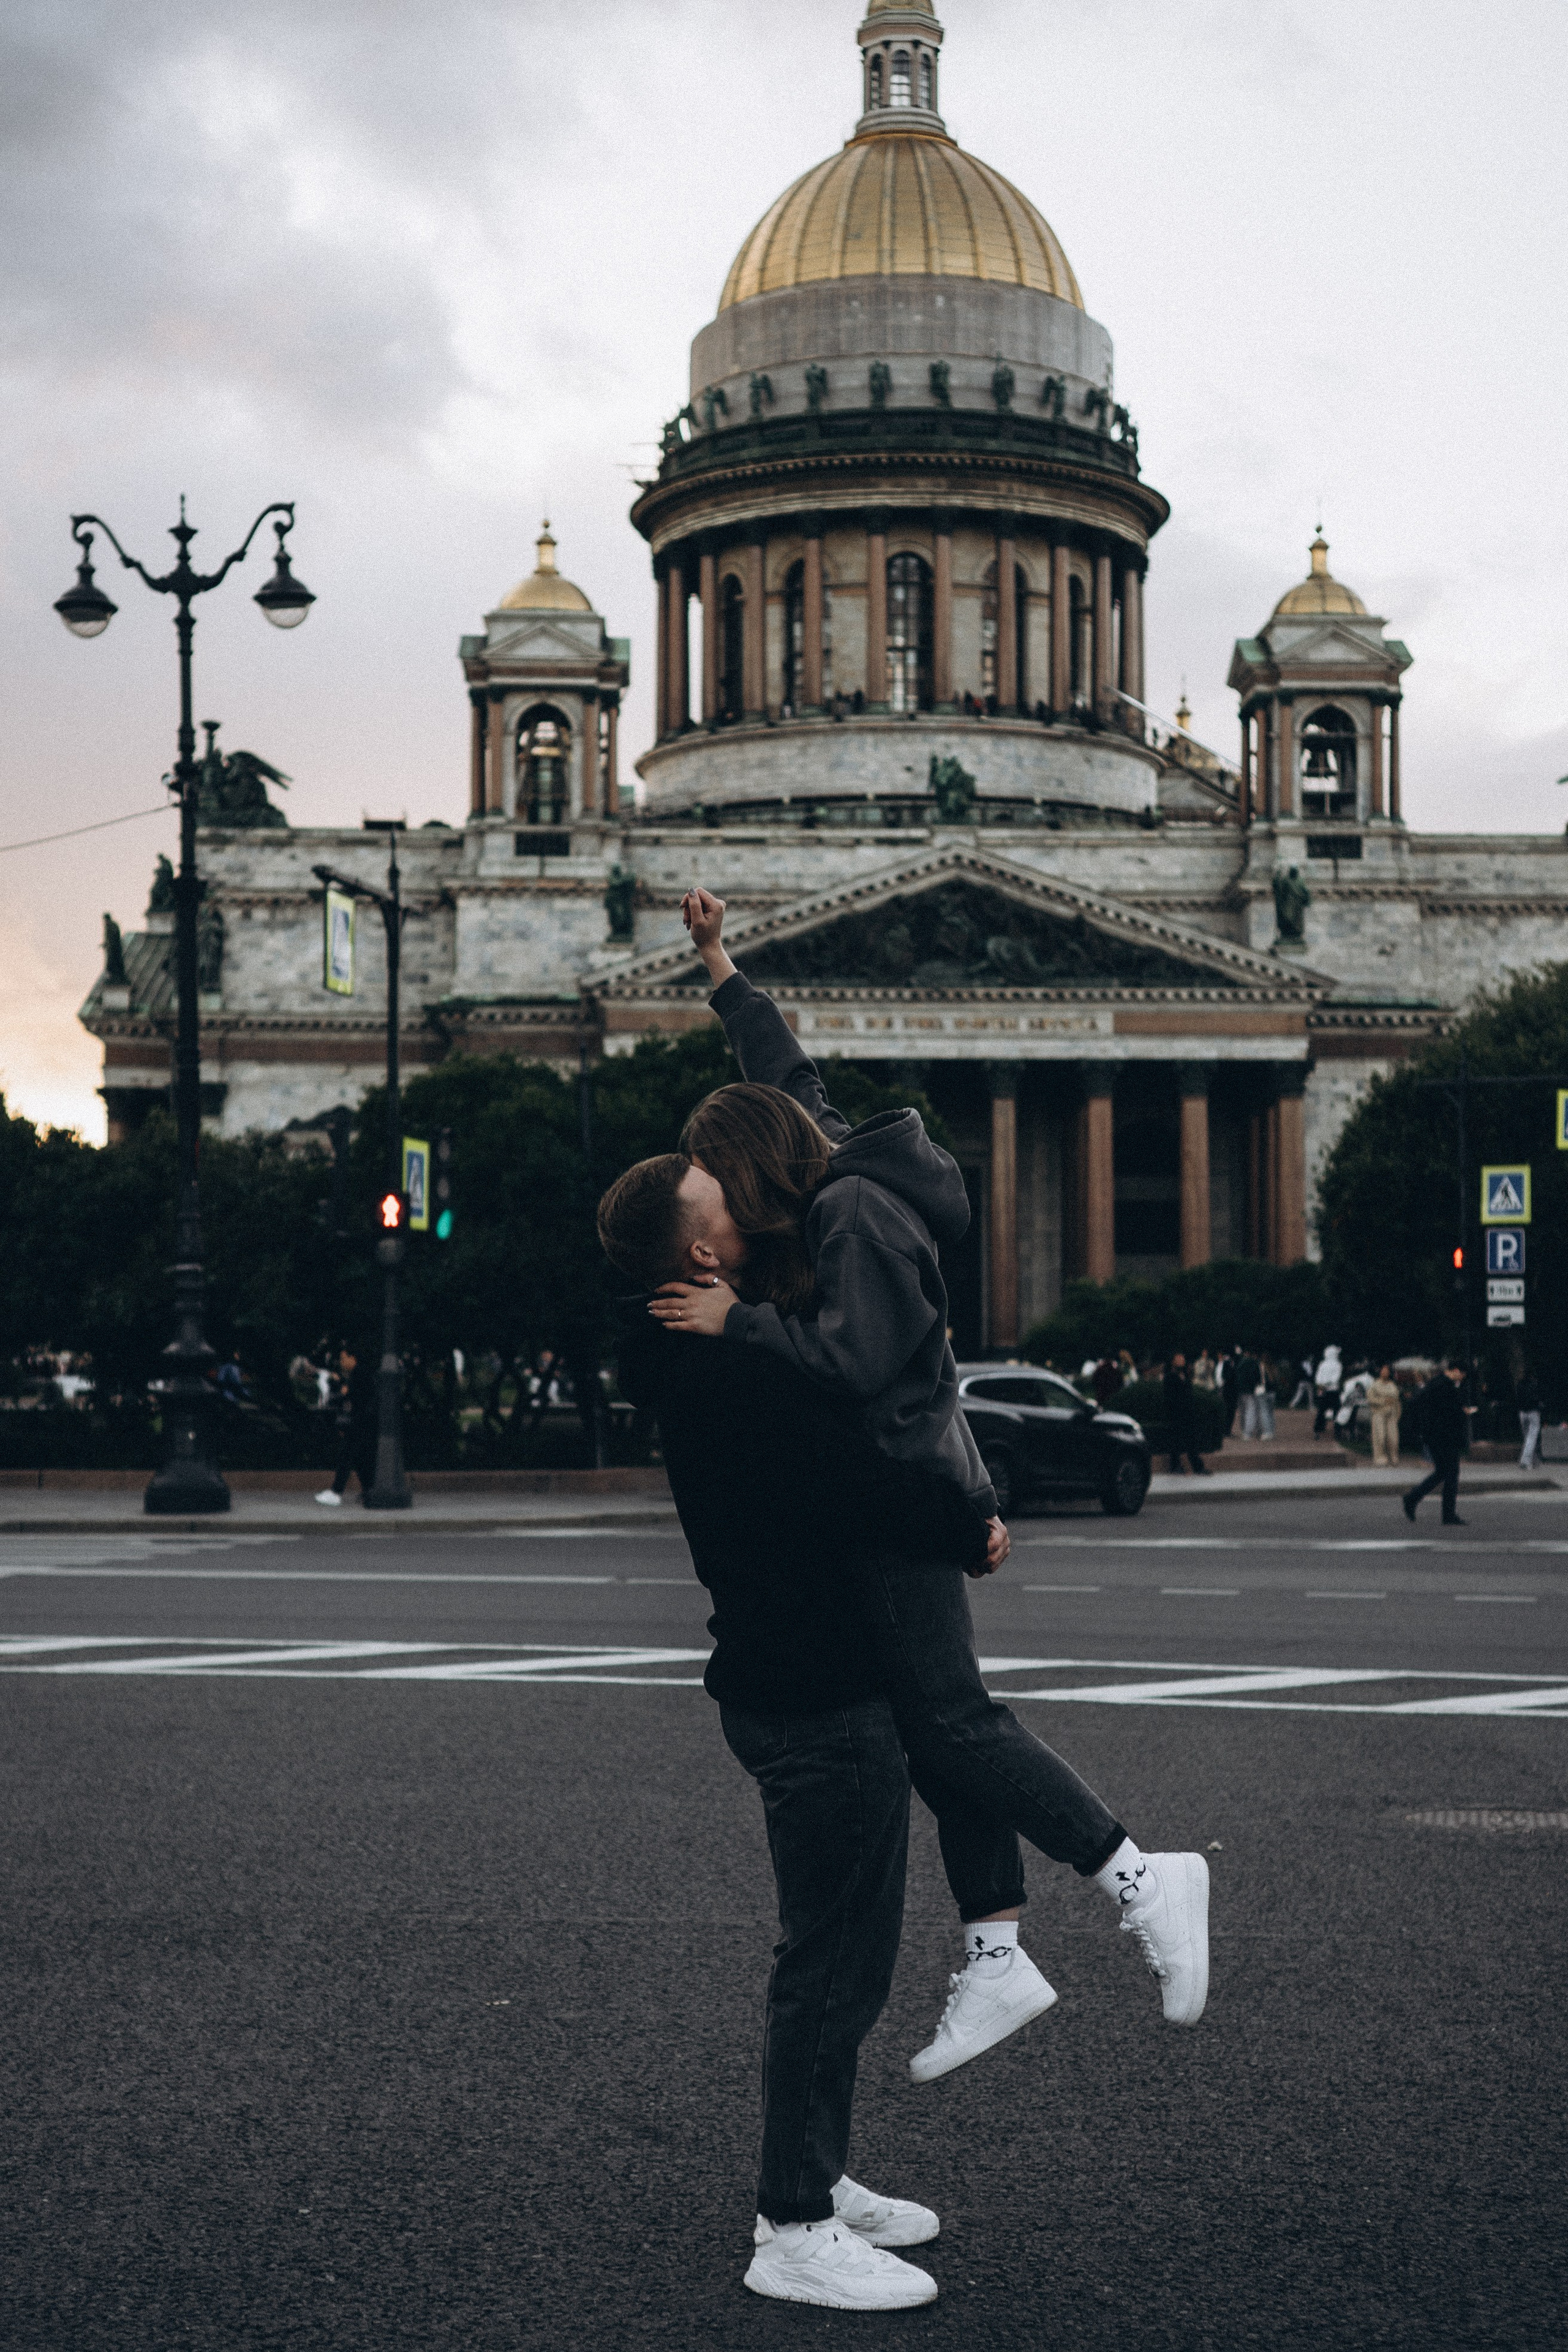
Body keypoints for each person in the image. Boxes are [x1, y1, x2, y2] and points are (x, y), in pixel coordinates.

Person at [644, 885, 1208, 2064]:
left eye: (714, 1171)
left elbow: (851, 1364)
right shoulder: (835, 1165)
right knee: (932, 1726)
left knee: (955, 1721)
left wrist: (733, 1318)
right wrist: (719, 966)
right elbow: (786, 1072)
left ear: (755, 1173)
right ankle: (999, 1953)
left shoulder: (850, 1211)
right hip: (909, 1491)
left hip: (901, 1501)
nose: (712, 1195)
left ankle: (1139, 1875)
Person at [608, 1185, 989, 2309]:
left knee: (846, 1962)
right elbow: (844, 1483)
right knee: (828, 1967)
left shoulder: (718, 1344)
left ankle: (815, 2173)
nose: (734, 1189)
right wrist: (964, 1523)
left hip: (800, 1681)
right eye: (708, 1189)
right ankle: (792, 2225)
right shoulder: (725, 1360)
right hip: (813, 1693)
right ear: (699, 1246)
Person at [1403, 1360, 1476, 1525]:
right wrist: (1463, 1412)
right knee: (1451, 1473)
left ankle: (1413, 1498)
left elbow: (1422, 1404)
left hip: (1436, 1436)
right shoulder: (1444, 1385)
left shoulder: (1437, 1383)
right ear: (1456, 1370)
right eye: (1462, 1375)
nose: (1462, 1379)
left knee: (1443, 1472)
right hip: (1444, 1436)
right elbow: (1447, 1411)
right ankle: (1447, 1514)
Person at [314, 1346, 375, 1506]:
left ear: (353, 1358)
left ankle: (336, 1492)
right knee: (360, 1459)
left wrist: (340, 1385)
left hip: (359, 1423)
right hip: (363, 1423)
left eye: (343, 1359)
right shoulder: (362, 1372)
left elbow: (349, 1395)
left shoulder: (359, 1373)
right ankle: (369, 1490)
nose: (342, 1363)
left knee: (346, 1456)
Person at [1162, 1352, 1209, 1476]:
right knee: (1176, 1442)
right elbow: (1170, 1397)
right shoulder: (1170, 1377)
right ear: (1173, 1361)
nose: (1182, 1360)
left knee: (1191, 1442)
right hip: (1176, 1415)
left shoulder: (1185, 1376)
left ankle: (1197, 1467)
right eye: (1179, 1359)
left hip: (1187, 1414)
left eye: (1183, 1358)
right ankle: (1176, 1466)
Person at [1366, 1364, 1401, 1468]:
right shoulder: (1375, 1385)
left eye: (1387, 1371)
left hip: (1392, 1415)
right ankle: (1380, 1457)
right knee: (1380, 1436)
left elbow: (1397, 1401)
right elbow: (1371, 1399)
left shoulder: (1393, 1385)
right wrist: (1383, 1401)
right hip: (1379, 1414)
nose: (1385, 1373)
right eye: (1383, 1370)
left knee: (1393, 1438)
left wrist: (1398, 1414)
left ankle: (1393, 1456)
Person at [1313, 1343, 1343, 1438]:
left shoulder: (1322, 1364)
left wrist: (1321, 1385)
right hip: (1333, 1391)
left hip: (1323, 1390)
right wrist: (1327, 1384)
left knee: (1321, 1411)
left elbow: (1318, 1377)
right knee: (1336, 1411)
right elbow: (1336, 1379)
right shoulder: (1338, 1365)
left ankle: (1318, 1429)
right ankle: (1337, 1431)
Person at [1516, 1368, 1543, 1470]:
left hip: (1523, 1412)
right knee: (1532, 1437)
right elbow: (1538, 1397)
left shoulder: (1520, 1384)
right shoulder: (1535, 1384)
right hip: (1533, 1412)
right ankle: (1526, 1461)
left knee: (1528, 1438)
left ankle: (1534, 1460)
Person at [1234, 1346, 1261, 1439]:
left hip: (1240, 1390)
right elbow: (1258, 1377)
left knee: (1243, 1412)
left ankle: (1244, 1431)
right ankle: (1248, 1433)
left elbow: (1236, 1376)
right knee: (1251, 1411)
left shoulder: (1240, 1362)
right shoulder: (1254, 1362)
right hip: (1250, 1390)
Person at [1219, 1346, 1240, 1438]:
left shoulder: (1233, 1361)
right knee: (1229, 1411)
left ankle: (1227, 1430)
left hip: (1232, 1390)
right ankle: (1226, 1431)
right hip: (1229, 1390)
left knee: (1231, 1412)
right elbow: (1226, 1375)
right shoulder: (1228, 1362)